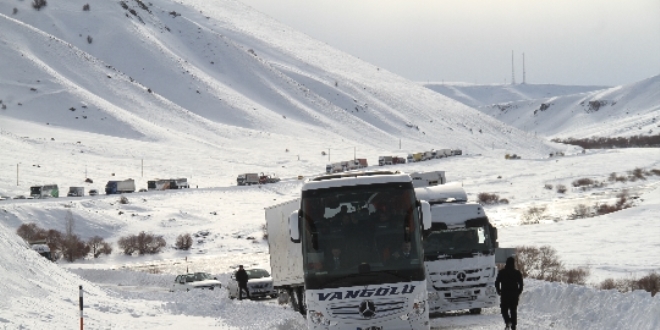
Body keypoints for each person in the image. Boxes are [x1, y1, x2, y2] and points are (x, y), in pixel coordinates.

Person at [495, 256, 524, 330]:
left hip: (505, 295)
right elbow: (521, 283)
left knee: (504, 310)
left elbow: (497, 282)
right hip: (514, 295)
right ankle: (514, 326)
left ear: (506, 263)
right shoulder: (517, 273)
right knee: (513, 310)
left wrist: (499, 290)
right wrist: (519, 292)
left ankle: (508, 321)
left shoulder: (502, 272)